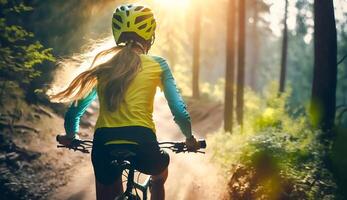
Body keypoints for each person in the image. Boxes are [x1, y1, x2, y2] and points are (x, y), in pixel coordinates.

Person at [52, 4, 199, 200]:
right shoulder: (158, 64)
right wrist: (189, 138)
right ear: (150, 35)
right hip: (143, 141)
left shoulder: (104, 66)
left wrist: (70, 135)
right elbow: (179, 111)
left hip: (104, 144)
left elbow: (74, 112)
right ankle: (156, 188)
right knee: (159, 175)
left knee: (106, 190)